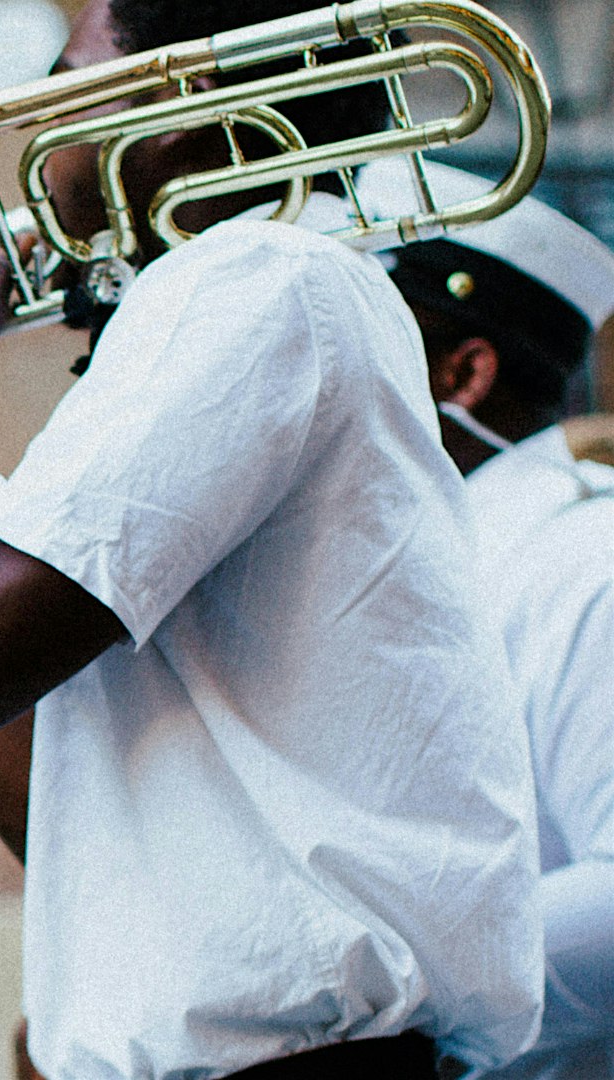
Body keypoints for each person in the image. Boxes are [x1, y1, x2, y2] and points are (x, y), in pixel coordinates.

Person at [0, 1, 545, 1076]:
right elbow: (67, 817)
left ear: (181, 93)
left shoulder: (259, 282)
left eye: (69, 69)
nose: (33, 116)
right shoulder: (229, 302)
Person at [354, 158, 614, 1080]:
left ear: (462, 374)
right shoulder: (407, 557)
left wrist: (351, 1008)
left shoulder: (587, 561)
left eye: (358, 340)